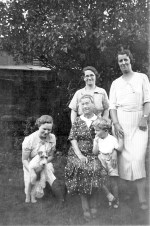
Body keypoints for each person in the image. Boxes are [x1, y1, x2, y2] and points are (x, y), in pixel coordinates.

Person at [109, 49, 150, 210]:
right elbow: (112, 107)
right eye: (120, 61)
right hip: (121, 122)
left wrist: (144, 118)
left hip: (139, 121)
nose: (123, 63)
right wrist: (116, 124)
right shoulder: (115, 83)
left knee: (138, 158)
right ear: (118, 63)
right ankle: (128, 193)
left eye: (126, 60)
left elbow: (147, 101)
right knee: (124, 159)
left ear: (130, 60)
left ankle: (141, 198)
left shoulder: (142, 78)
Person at [65, 94, 108, 222]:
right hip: (77, 152)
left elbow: (105, 137)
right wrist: (79, 154)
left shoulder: (99, 120)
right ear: (80, 106)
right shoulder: (78, 120)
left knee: (95, 170)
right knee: (82, 169)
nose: (85, 106)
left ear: (93, 104)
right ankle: (85, 206)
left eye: (87, 103)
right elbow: (72, 138)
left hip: (94, 152)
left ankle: (93, 202)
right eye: (82, 104)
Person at [22, 115, 64, 203]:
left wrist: (43, 164)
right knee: (31, 187)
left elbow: (52, 156)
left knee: (48, 172)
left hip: (45, 162)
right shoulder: (29, 139)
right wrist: (32, 170)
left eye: (49, 130)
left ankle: (60, 196)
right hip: (31, 165)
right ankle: (31, 193)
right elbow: (24, 160)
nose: (46, 132)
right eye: (44, 129)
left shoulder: (52, 138)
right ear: (39, 126)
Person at [92, 117, 124, 208]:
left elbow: (119, 148)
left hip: (111, 160)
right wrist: (96, 143)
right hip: (101, 158)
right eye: (95, 130)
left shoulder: (112, 139)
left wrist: (121, 139)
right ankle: (110, 196)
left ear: (105, 130)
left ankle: (116, 199)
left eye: (97, 130)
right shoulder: (97, 139)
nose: (95, 132)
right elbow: (94, 152)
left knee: (113, 181)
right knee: (101, 179)